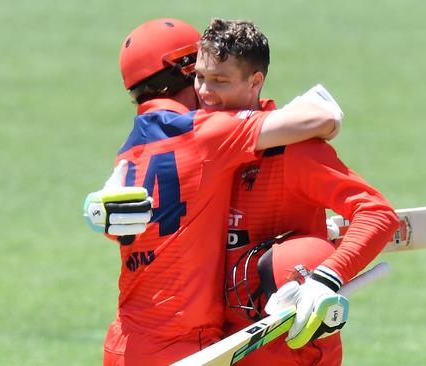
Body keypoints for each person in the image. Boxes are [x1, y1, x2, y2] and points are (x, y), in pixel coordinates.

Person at [82, 18, 344, 366]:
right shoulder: (205, 132)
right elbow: (321, 119)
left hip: (124, 342)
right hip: (184, 345)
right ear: (188, 68)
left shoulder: (128, 153)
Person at [194, 19, 400, 365]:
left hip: (293, 347)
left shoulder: (292, 151)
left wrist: (326, 277)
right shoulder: (197, 142)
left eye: (219, 80)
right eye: (199, 76)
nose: (204, 92)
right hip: (220, 345)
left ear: (255, 82)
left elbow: (377, 214)